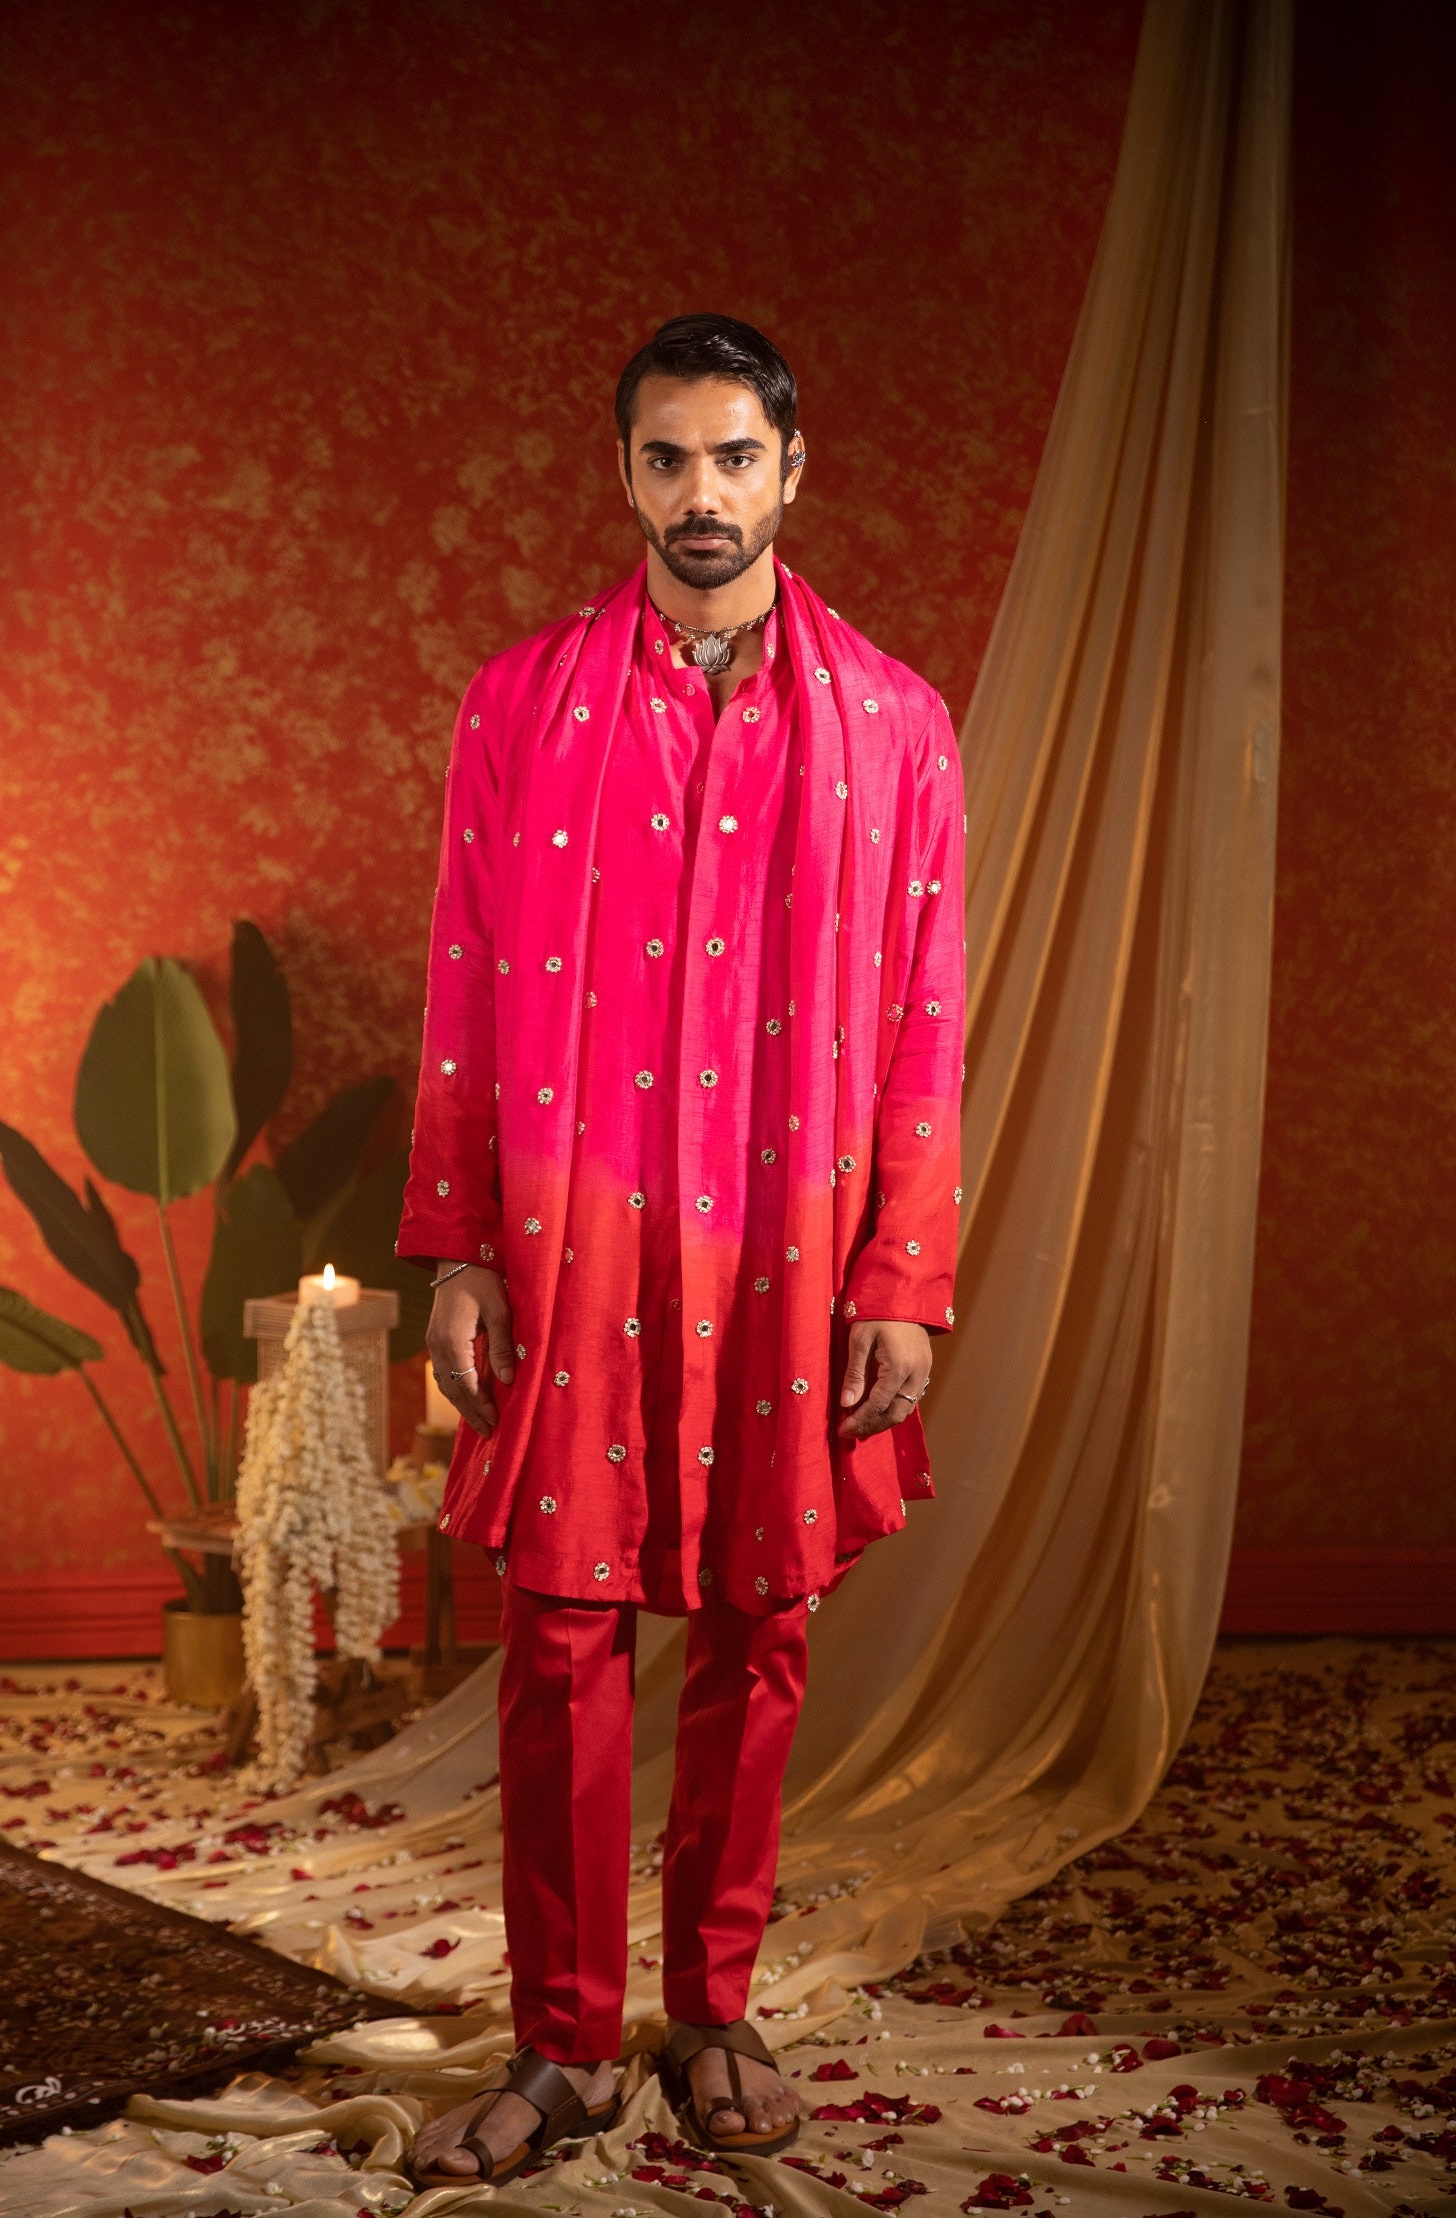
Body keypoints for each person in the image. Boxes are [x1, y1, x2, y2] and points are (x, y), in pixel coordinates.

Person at [396, 312, 964, 2186]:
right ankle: (563, 2044)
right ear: (624, 473)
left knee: (758, 1622)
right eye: (667, 458)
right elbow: (467, 981)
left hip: (790, 1243)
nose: (701, 493)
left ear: (794, 467)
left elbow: (927, 1019)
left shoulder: (896, 727)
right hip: (575, 1241)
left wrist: (902, 1275)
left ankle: (713, 2013)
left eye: (734, 456)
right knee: (558, 1634)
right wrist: (459, 1247)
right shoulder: (520, 707)